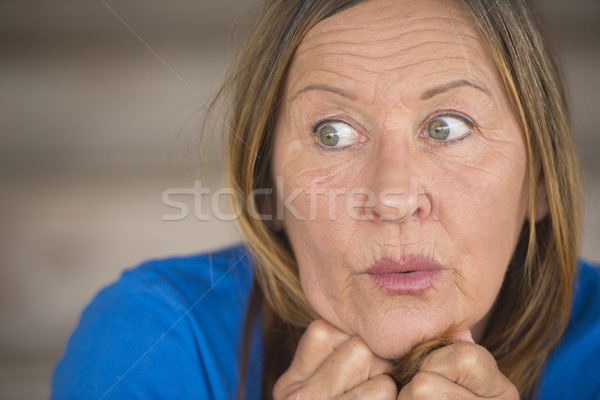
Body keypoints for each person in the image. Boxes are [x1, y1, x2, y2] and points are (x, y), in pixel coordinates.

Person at [51, 0, 600, 399]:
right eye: (332, 133)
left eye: (447, 126)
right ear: (268, 190)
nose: (391, 198)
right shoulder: (156, 335)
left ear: (540, 182)